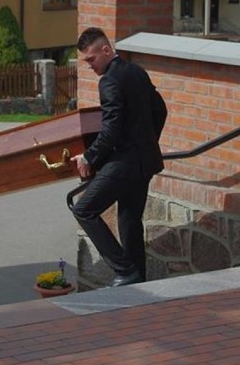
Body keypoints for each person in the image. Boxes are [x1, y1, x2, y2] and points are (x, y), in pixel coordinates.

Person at [70, 27, 167, 286]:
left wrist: (89, 157)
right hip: (145, 162)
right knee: (129, 222)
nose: (90, 66)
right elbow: (161, 110)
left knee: (83, 209)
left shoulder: (109, 81)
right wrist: (147, 142)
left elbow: (111, 129)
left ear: (106, 50)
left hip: (125, 162)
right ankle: (138, 280)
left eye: (91, 59)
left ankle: (124, 270)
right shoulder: (137, 71)